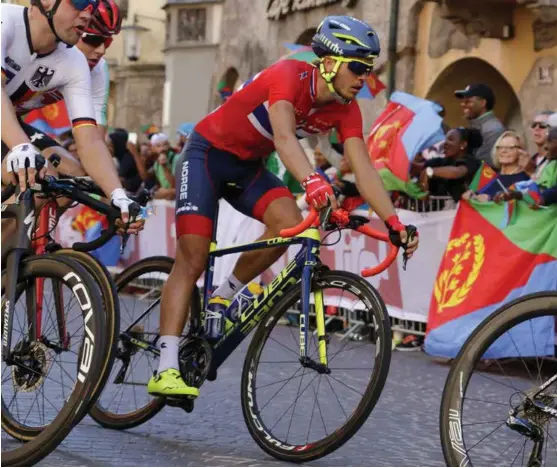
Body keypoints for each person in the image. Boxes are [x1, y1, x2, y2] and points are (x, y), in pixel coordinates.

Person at [147, 15, 419, 398]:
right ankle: (166, 365)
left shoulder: (347, 108)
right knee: (192, 259)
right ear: (329, 63)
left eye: (369, 68)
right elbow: (284, 138)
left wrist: (393, 222)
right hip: (206, 155)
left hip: (246, 168)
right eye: (357, 67)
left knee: (288, 223)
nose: (363, 77)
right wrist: (312, 182)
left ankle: (224, 296)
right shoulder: (288, 75)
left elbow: (364, 167)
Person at [1, 0, 138, 230]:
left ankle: (20, 257)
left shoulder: (74, 62)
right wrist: (20, 146)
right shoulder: (5, 21)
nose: (87, 13)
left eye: (91, 6)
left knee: (54, 181)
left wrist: (117, 194)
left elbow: (90, 140)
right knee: (31, 173)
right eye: (80, 2)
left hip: (9, 119)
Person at [413, 128, 482, 202]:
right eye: (445, 139)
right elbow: (417, 168)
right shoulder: (442, 161)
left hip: (460, 210)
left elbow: (458, 172)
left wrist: (430, 171)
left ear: (463, 144)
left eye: (450, 139)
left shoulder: (472, 162)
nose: (445, 142)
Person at [454, 83, 505, 166]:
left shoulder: (493, 130)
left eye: (468, 101)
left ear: (482, 103)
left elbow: (487, 166)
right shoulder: (478, 125)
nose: (463, 104)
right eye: (463, 101)